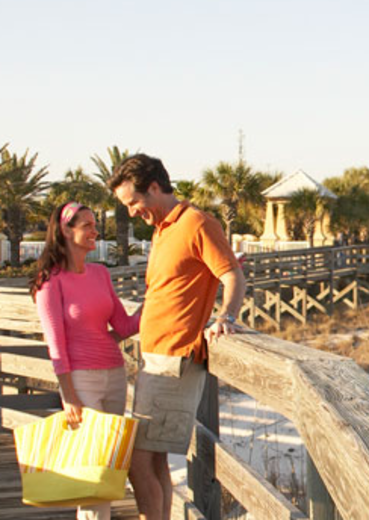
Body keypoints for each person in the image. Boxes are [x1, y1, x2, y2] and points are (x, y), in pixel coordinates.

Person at [108, 154, 245, 520]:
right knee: (152, 462)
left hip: (175, 361)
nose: (133, 212)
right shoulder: (164, 229)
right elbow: (162, 293)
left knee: (138, 462)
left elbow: (232, 275)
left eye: (134, 203)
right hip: (154, 359)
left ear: (154, 187)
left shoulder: (196, 222)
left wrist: (225, 317)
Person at [30, 201, 141, 520]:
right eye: (88, 225)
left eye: (96, 224)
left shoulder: (100, 273)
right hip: (81, 380)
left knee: (107, 467)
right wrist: (68, 395)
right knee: (92, 470)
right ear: (66, 230)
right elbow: (56, 345)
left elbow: (124, 326)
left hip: (116, 376)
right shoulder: (50, 281)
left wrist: (158, 300)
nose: (96, 231)